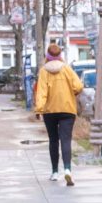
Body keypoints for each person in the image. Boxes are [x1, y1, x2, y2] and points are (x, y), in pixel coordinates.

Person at [33, 42, 84, 186]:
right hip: (67, 110)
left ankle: (55, 172)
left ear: (47, 56)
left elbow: (42, 92)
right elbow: (79, 86)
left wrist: (39, 109)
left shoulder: (44, 71)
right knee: (66, 140)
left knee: (53, 140)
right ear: (60, 55)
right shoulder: (67, 69)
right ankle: (67, 170)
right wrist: (73, 93)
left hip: (50, 111)